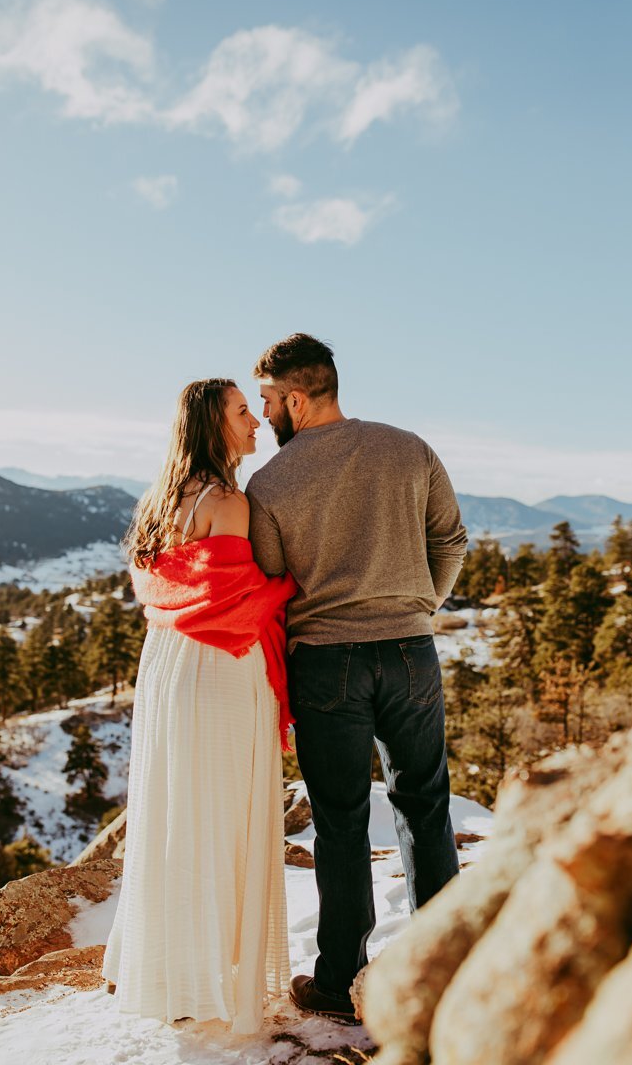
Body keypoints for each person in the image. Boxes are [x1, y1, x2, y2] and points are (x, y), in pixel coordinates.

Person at [245, 333, 468, 1023]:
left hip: (326, 661)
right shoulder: (410, 448)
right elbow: (451, 541)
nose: (266, 417)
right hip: (409, 651)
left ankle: (341, 982)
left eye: (269, 402)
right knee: (425, 805)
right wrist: (418, 606)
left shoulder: (271, 483)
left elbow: (274, 576)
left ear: (298, 399)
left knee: (340, 823)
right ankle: (448, 969)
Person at [104, 378, 293, 1038]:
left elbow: (174, 592)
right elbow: (238, 603)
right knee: (221, 821)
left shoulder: (157, 502)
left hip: (165, 665)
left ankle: (165, 970)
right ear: (215, 426)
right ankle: (210, 979)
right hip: (220, 666)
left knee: (174, 814)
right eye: (243, 412)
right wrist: (293, 584)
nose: (255, 423)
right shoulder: (228, 501)